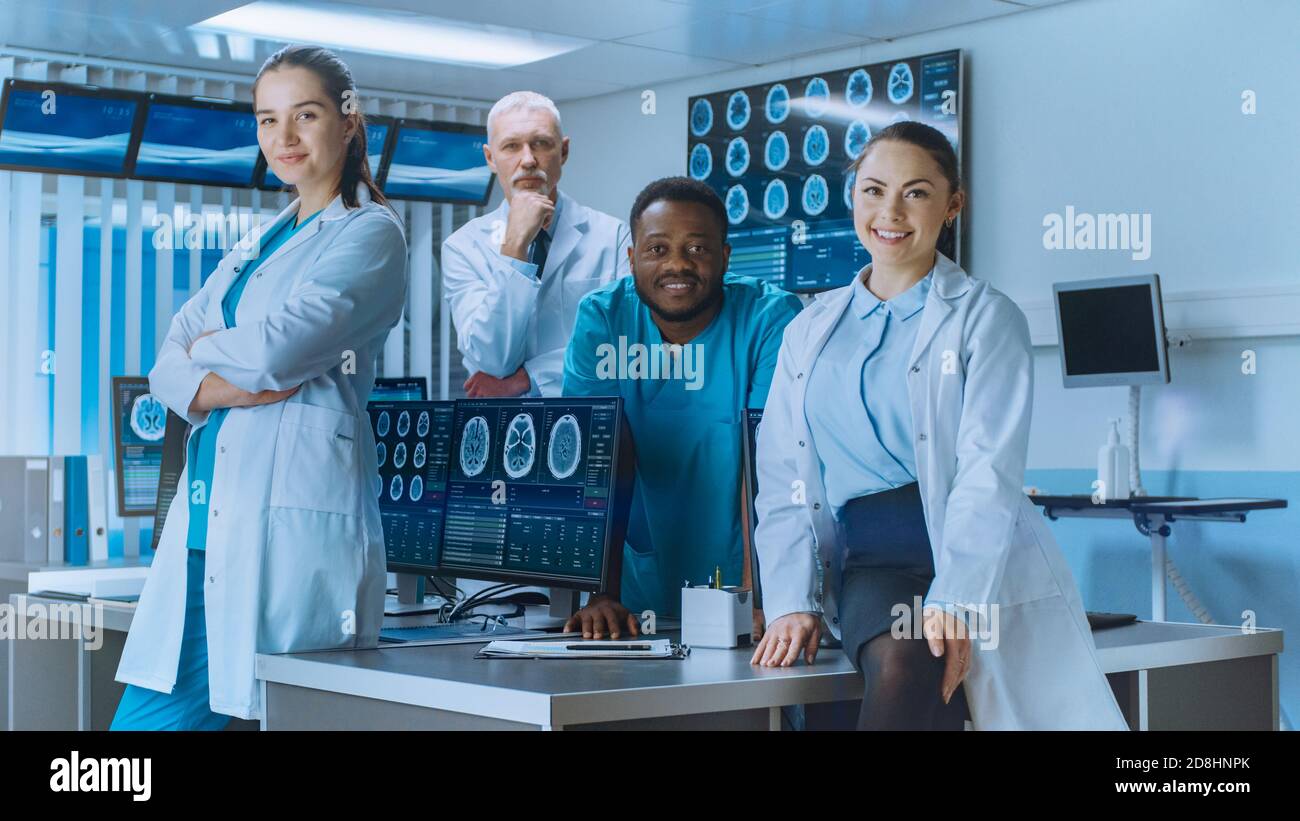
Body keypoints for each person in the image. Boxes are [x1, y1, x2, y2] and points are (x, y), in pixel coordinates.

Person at [750, 122, 1128, 731]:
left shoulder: (985, 317)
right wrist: (792, 600)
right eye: (873, 190)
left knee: (933, 684)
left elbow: (987, 469)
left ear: (952, 205)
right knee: (906, 657)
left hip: (979, 557)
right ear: (853, 198)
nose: (890, 211)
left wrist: (957, 600)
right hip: (878, 562)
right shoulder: (809, 329)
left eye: (916, 193)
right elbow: (782, 475)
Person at [111, 45, 408, 729]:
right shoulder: (260, 241)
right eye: (267, 121)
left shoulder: (370, 234)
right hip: (201, 538)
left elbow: (279, 349)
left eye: (305, 115)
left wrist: (206, 359)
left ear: (348, 120)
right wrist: (224, 381)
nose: (285, 139)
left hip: (287, 543)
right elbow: (165, 365)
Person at [561, 177, 801, 638]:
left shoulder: (769, 319)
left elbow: (768, 460)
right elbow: (593, 456)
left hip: (746, 576)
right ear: (631, 258)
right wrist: (599, 594)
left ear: (725, 258)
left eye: (697, 249)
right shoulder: (604, 318)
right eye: (657, 249)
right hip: (635, 585)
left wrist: (763, 597)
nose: (677, 265)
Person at [441, 91, 630, 399]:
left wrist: (529, 378)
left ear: (564, 151)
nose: (527, 160)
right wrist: (514, 246)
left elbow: (621, 346)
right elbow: (492, 360)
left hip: (588, 418)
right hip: (502, 429)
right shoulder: (463, 247)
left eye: (541, 143)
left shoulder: (614, 236)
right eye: (511, 146)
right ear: (490, 158)